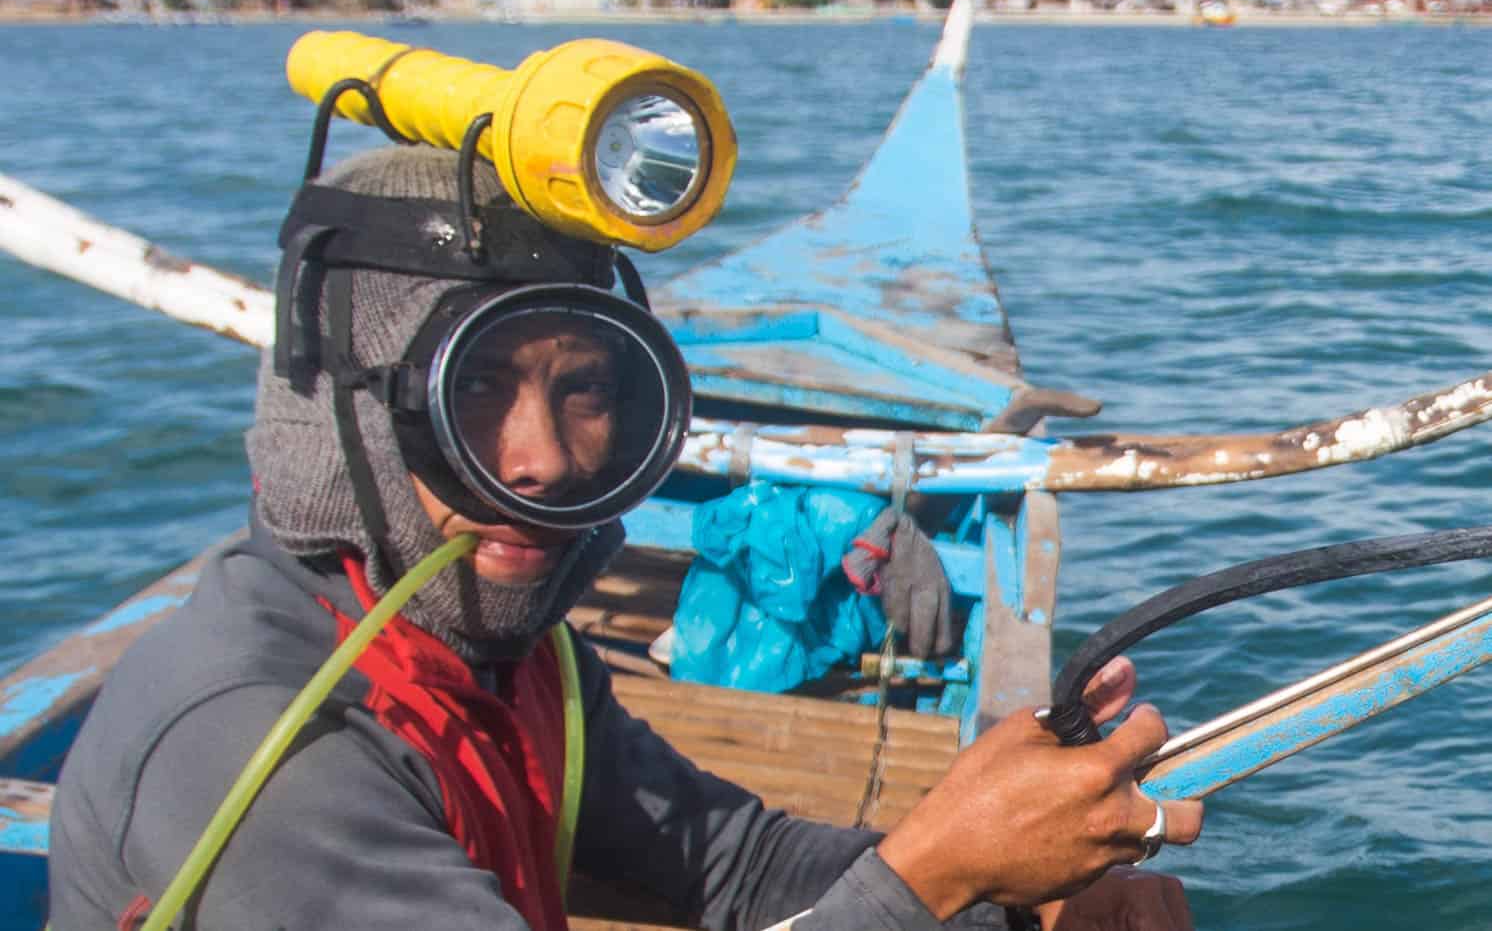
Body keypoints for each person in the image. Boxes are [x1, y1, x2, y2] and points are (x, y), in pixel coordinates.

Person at [48, 144, 1202, 931]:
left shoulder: (514, 653)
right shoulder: (262, 745)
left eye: (587, 390)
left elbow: (726, 860)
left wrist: (1007, 881)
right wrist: (934, 869)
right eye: (477, 387)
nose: (540, 458)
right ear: (341, 418)